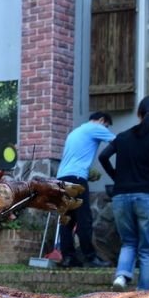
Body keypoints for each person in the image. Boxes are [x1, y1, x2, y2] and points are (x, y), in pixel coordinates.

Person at [98, 96, 149, 292]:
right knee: (147, 249)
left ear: (138, 113)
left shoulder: (122, 137)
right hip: (148, 197)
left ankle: (122, 277)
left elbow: (103, 156)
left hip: (121, 197)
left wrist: (117, 178)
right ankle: (143, 293)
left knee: (129, 242)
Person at [55, 112, 115, 268]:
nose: (105, 129)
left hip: (62, 178)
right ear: (102, 120)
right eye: (106, 126)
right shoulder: (95, 127)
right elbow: (118, 142)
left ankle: (68, 258)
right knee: (84, 220)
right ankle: (90, 257)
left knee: (67, 219)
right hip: (76, 178)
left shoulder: (75, 132)